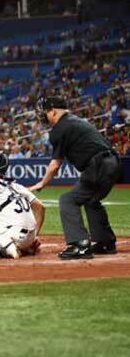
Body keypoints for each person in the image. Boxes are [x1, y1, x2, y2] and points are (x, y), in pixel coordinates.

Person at [29, 96, 122, 259]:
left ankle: (80, 245)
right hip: (113, 163)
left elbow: (55, 165)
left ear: (53, 111)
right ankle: (105, 243)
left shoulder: (59, 129)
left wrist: (41, 183)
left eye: (44, 112)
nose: (42, 116)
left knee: (68, 200)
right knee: (91, 201)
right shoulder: (76, 121)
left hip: (98, 165)